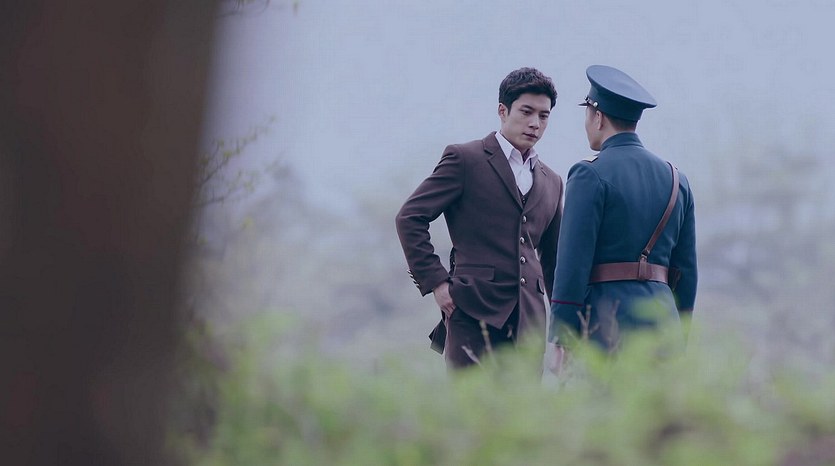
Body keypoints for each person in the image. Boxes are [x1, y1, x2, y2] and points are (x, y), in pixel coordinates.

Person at [396, 67, 564, 370]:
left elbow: (553, 261)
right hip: (471, 313)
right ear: (502, 111)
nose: (535, 123)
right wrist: (437, 283)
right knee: (469, 401)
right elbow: (410, 217)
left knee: (523, 403)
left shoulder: (552, 181)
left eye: (544, 116)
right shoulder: (465, 159)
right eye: (526, 112)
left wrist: (562, 329)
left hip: (530, 326)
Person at [548, 65, 697, 371]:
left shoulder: (588, 174)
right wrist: (679, 334)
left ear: (598, 117)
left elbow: (572, 265)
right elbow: (686, 273)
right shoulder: (677, 179)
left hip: (606, 324)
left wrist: (563, 336)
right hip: (663, 325)